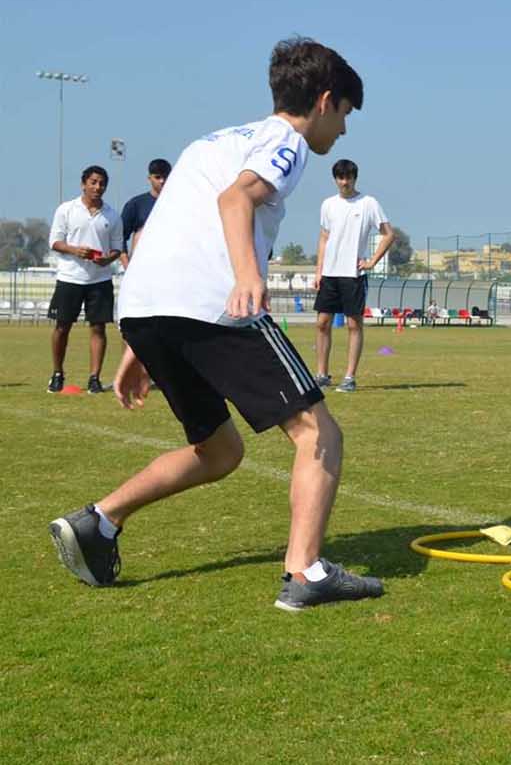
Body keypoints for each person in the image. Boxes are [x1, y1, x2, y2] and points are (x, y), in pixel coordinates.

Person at [48, 37, 383, 612]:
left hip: (149, 306)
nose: (344, 130)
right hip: (214, 305)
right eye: (346, 114)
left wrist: (140, 343)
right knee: (319, 433)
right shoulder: (287, 141)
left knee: (219, 450)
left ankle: (98, 522)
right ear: (325, 100)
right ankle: (305, 572)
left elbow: (165, 231)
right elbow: (237, 200)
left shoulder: (210, 142)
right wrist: (248, 276)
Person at [313, 159, 393, 391]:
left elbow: (388, 234)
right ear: (335, 179)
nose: (344, 182)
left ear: (355, 178)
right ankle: (322, 375)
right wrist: (318, 270)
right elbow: (324, 238)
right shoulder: (328, 204)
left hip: (353, 274)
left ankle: (349, 378)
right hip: (329, 274)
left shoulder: (368, 203)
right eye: (340, 177)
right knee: (322, 323)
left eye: (348, 177)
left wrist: (372, 261)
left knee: (353, 325)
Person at [47, 165, 124, 394]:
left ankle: (94, 378)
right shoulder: (66, 209)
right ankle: (57, 374)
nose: (97, 187)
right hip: (70, 278)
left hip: (100, 280)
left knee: (98, 328)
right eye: (93, 182)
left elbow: (117, 248)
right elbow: (54, 242)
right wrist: (74, 250)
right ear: (83, 184)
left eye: (102, 183)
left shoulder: (112, 215)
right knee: (62, 327)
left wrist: (108, 259)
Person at [119, 158, 172, 268]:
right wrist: (127, 265)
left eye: (166, 177)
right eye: (157, 177)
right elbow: (119, 237)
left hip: (171, 266)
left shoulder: (179, 204)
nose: (162, 181)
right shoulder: (136, 204)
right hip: (142, 266)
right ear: (149, 178)